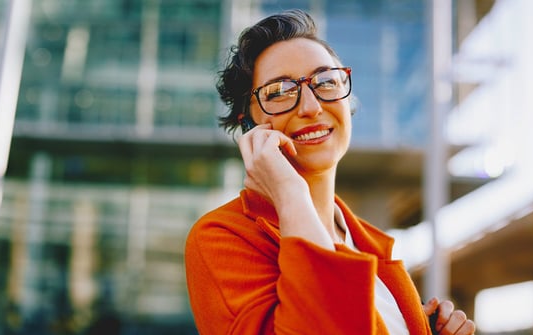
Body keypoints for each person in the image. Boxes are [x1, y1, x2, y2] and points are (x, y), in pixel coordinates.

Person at [184, 9, 476, 335]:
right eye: (279, 92)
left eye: (326, 81)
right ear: (249, 123)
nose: (311, 107)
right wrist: (289, 192)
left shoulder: (368, 243)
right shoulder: (223, 237)